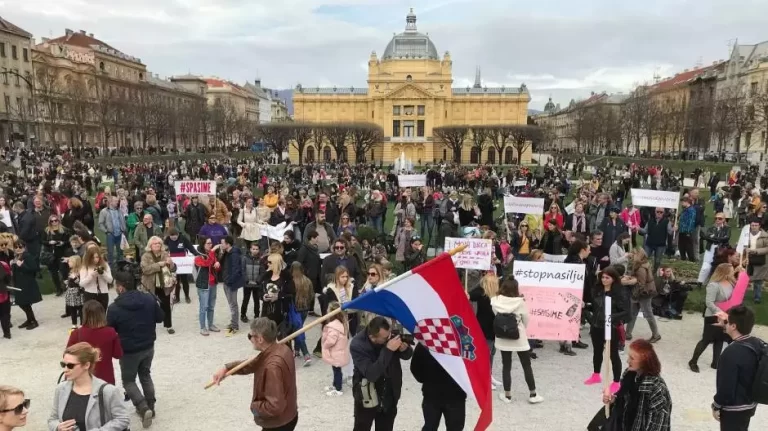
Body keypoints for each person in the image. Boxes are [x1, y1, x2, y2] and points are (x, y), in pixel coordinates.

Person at [210, 318, 299, 431]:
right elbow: (255, 363)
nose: (250, 339)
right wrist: (227, 368)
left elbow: (274, 406)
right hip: (289, 415)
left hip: (278, 424)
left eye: (250, 336)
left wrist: (254, 407)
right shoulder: (282, 348)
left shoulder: (272, 367)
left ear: (260, 339)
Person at [107, 271, 164, 427]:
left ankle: (142, 407)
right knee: (145, 374)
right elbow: (160, 317)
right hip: (148, 345)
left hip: (128, 350)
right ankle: (151, 406)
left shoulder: (114, 308)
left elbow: (110, 330)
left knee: (128, 380)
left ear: (120, 288)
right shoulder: (149, 298)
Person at [47, 342, 130, 431]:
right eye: (63, 365)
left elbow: (123, 419)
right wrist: (58, 427)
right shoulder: (61, 389)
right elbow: (52, 419)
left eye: (70, 365)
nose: (65, 370)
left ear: (86, 365)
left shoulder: (108, 391)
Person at [350, 316, 413, 431]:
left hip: (389, 394)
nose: (390, 338)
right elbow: (371, 374)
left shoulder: (389, 336)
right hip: (367, 395)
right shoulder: (357, 345)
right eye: (385, 337)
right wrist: (388, 350)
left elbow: (407, 355)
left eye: (389, 334)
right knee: (362, 427)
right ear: (372, 337)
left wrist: (404, 349)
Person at [597, 340, 672, 431]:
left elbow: (658, 426)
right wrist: (613, 399)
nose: (628, 361)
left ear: (645, 361)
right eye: (629, 356)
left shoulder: (657, 390)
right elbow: (625, 402)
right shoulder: (629, 374)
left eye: (632, 358)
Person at [491, 278, 544, 404]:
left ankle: (507, 395)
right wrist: (520, 329)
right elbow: (526, 319)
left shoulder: (495, 301)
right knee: (526, 365)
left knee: (506, 366)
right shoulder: (520, 302)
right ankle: (533, 394)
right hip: (518, 337)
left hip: (502, 338)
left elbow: (496, 316)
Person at [712, 305, 762, 431]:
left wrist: (716, 405)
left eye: (727, 322)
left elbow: (726, 387)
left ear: (733, 326)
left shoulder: (730, 354)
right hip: (750, 403)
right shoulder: (756, 343)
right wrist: (726, 325)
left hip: (734, 409)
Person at [585, 266, 628, 394]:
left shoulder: (620, 293)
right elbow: (595, 307)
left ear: (613, 279)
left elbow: (626, 312)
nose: (604, 280)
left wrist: (611, 317)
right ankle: (596, 374)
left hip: (611, 328)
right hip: (596, 327)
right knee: (597, 352)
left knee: (613, 355)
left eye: (607, 277)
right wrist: (587, 308)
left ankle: (616, 381)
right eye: (602, 277)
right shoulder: (597, 290)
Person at [689, 263, 737, 372]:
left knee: (720, 339)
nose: (732, 272)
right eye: (731, 270)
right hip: (713, 316)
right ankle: (693, 361)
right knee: (706, 340)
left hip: (725, 316)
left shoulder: (730, 283)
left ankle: (715, 362)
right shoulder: (714, 285)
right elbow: (709, 303)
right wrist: (720, 313)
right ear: (725, 272)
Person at [410, 340, 467, 431]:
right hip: (455, 395)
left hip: (433, 393)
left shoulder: (426, 341)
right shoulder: (463, 343)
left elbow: (415, 367)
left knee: (430, 427)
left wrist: (425, 380)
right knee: (454, 428)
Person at [66, 300, 123, 385]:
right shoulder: (111, 332)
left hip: (83, 378)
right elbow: (118, 354)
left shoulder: (76, 334)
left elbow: (67, 357)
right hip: (106, 378)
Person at [623, 248, 661, 343]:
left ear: (638, 255)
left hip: (643, 293)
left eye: (633, 253)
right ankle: (627, 333)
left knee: (648, 314)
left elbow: (641, 283)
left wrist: (628, 283)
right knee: (633, 313)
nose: (631, 254)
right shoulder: (642, 264)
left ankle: (656, 335)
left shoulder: (641, 267)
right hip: (642, 292)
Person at [140, 236, 177, 334]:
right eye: (155, 243)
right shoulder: (145, 256)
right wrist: (158, 265)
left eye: (159, 243)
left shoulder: (165, 254)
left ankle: (168, 325)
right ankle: (150, 326)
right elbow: (145, 270)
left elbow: (173, 268)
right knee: (149, 305)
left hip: (163, 283)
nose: (157, 245)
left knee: (165, 304)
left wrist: (171, 263)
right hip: (149, 284)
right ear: (150, 245)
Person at [260, 254, 295, 336]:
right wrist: (263, 296)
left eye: (269, 262)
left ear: (275, 263)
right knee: (267, 336)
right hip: (267, 311)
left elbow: (291, 294)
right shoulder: (266, 276)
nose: (267, 264)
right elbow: (260, 291)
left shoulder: (286, 277)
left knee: (281, 337)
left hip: (281, 312)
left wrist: (278, 297)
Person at [11, 240, 41, 331]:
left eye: (20, 247)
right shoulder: (16, 257)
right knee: (21, 303)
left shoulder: (28, 256)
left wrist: (21, 265)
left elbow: (34, 269)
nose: (18, 249)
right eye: (16, 247)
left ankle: (33, 321)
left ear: (24, 247)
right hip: (19, 283)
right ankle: (29, 319)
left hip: (27, 283)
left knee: (25, 303)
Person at [194, 236, 221, 336]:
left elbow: (214, 266)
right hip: (203, 284)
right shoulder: (198, 255)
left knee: (211, 306)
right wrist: (212, 252)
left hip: (213, 282)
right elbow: (206, 263)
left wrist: (217, 264)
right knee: (203, 306)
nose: (211, 245)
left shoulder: (212, 253)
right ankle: (202, 327)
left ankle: (210, 324)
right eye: (208, 243)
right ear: (203, 244)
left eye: (211, 243)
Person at [322, 301, 350, 396]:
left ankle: (338, 389)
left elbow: (331, 340)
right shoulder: (342, 323)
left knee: (337, 371)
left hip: (336, 352)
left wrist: (325, 344)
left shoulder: (333, 326)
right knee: (336, 370)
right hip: (340, 352)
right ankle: (335, 385)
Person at [164, 228, 198, 304]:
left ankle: (187, 296)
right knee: (176, 281)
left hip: (182, 262)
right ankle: (177, 297)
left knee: (184, 280)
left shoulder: (183, 238)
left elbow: (190, 247)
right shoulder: (167, 239)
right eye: (172, 237)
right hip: (173, 262)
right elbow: (164, 249)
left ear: (178, 234)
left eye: (175, 236)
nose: (173, 238)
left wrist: (196, 254)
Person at [220, 235, 246, 336]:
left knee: (233, 304)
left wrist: (229, 281)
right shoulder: (227, 253)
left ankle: (235, 325)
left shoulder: (234, 254)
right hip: (226, 282)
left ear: (228, 244)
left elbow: (236, 270)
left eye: (222, 243)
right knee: (231, 304)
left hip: (231, 283)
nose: (221, 244)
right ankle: (233, 322)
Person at [78, 244, 113, 311]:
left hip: (103, 293)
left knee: (102, 314)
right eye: (93, 258)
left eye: (97, 257)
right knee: (91, 316)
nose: (95, 260)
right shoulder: (85, 267)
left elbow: (110, 280)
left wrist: (103, 273)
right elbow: (81, 284)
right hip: (90, 294)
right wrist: (91, 276)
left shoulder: (105, 265)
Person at [291, 262, 313, 365]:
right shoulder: (307, 280)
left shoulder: (291, 281)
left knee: (298, 331)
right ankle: (296, 351)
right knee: (298, 329)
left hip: (295, 309)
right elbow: (311, 295)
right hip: (304, 308)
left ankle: (306, 354)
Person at [43, 214, 70, 296]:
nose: (54, 222)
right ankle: (58, 289)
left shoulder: (64, 230)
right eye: (52, 221)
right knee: (54, 273)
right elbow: (42, 241)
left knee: (64, 271)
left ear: (58, 221)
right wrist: (49, 242)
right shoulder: (47, 231)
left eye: (56, 220)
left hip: (61, 253)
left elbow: (68, 241)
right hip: (51, 254)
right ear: (49, 222)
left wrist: (62, 243)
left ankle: (67, 287)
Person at [98, 196, 127, 267]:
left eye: (117, 201)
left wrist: (123, 229)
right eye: (116, 201)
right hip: (110, 234)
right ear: (110, 202)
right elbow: (100, 224)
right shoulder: (104, 211)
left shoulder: (119, 210)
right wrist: (106, 231)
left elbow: (122, 220)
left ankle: (120, 266)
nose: (117, 202)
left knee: (120, 251)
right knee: (110, 252)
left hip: (120, 234)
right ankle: (110, 267)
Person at [745, 217, 768, 304]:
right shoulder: (746, 234)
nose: (754, 227)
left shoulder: (765, 236)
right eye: (752, 225)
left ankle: (757, 297)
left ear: (759, 226)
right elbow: (741, 244)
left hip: (760, 259)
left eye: (756, 225)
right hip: (748, 259)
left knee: (758, 280)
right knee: (745, 278)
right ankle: (741, 295)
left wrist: (756, 251)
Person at [242, 242, 263, 324]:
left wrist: (258, 280)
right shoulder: (245, 258)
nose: (255, 251)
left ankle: (256, 315)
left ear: (259, 250)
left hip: (256, 284)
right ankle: (243, 314)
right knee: (245, 300)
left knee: (256, 300)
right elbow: (243, 270)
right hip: (247, 284)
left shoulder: (261, 259)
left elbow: (262, 272)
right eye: (253, 249)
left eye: (256, 249)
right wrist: (246, 280)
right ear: (250, 249)